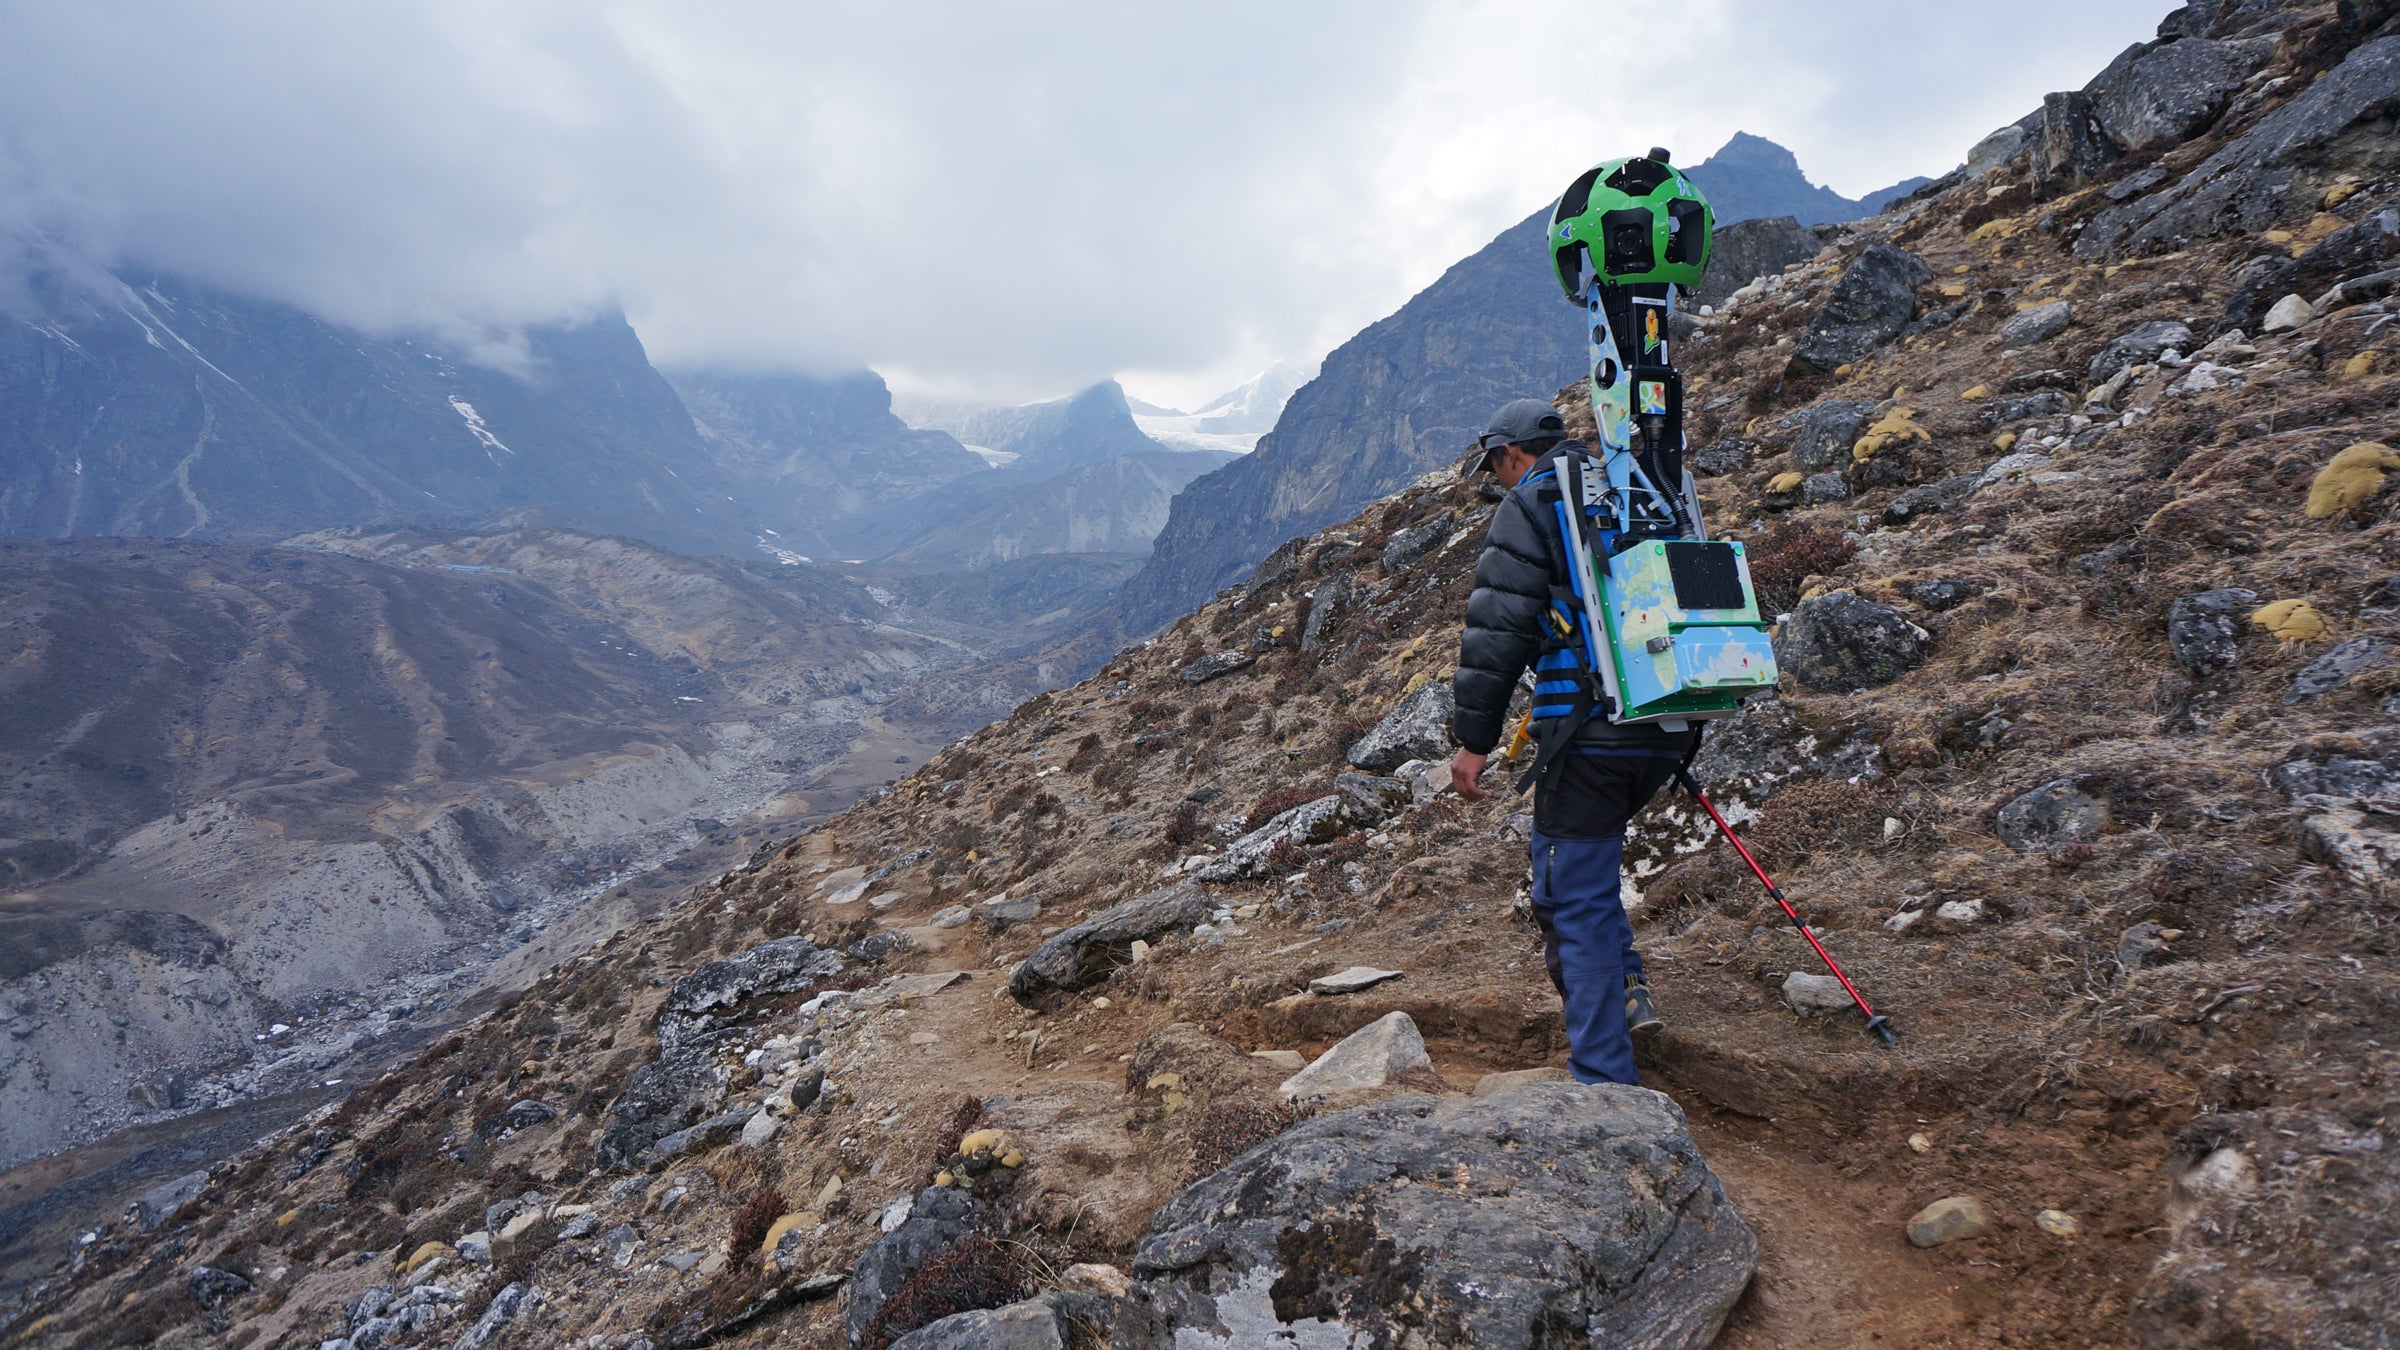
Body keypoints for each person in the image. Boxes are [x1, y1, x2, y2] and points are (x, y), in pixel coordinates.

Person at [1448, 397, 1695, 1086]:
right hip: (1670, 720)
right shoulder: (1630, 481)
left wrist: (1474, 742)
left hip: (1590, 730)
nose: (1498, 479)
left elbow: (1496, 634)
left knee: (1569, 898)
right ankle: (1629, 992)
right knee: (1588, 874)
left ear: (1509, 454)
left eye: (1495, 466)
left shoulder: (1533, 501)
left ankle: (1604, 1081)